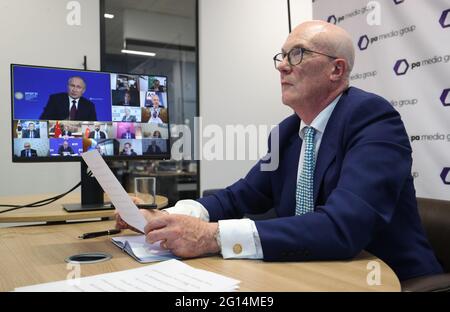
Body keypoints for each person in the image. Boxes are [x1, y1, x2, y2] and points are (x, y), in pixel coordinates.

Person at [116, 20, 443, 282]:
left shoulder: (373, 119)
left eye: (298, 54)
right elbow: (235, 198)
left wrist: (212, 236)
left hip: (388, 280)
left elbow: (344, 227)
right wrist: (170, 218)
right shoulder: (288, 132)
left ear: (337, 70)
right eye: (282, 56)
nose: (283, 67)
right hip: (312, 274)